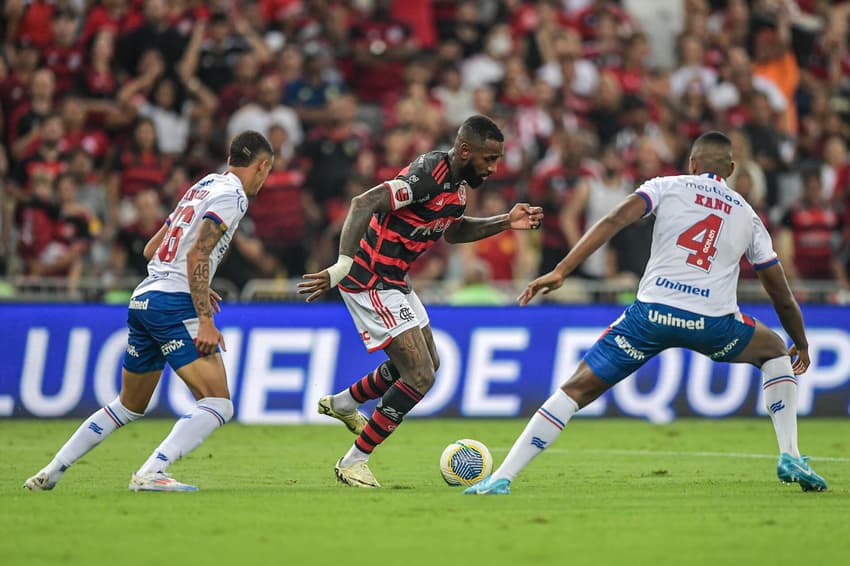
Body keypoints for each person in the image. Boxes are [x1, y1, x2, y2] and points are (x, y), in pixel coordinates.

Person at [464, 131, 828, 495]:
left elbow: (614, 219)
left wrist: (562, 269)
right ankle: (790, 454)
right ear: (731, 169)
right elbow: (780, 292)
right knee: (775, 352)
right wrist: (801, 343)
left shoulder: (667, 186)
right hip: (713, 323)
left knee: (576, 389)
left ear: (692, 163)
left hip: (651, 317)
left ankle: (501, 478)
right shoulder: (747, 215)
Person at [298, 114, 543, 488]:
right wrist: (343, 265)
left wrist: (506, 221)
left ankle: (346, 403)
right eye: (488, 159)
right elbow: (364, 202)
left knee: (430, 362)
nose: (494, 168)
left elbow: (455, 232)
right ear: (464, 150)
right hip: (371, 280)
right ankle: (353, 462)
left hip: (396, 280)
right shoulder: (429, 173)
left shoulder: (458, 189)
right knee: (420, 375)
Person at [24, 131, 274, 492]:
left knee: (128, 404)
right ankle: (152, 472)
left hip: (144, 298)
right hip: (174, 304)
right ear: (262, 166)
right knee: (218, 404)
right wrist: (205, 318)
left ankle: (52, 470)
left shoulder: (204, 185)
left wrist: (199, 284)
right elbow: (197, 255)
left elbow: (152, 248)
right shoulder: (233, 196)